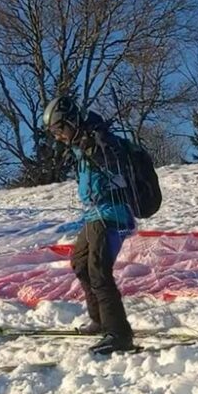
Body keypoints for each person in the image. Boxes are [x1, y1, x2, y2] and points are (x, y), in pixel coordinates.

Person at [43, 95, 138, 354]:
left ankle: (119, 334)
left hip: (113, 213)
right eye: (54, 133)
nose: (58, 137)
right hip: (95, 214)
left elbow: (114, 157)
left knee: (98, 270)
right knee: (80, 263)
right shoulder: (81, 142)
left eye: (59, 129)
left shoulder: (100, 140)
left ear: (72, 121)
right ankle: (99, 320)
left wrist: (99, 144)